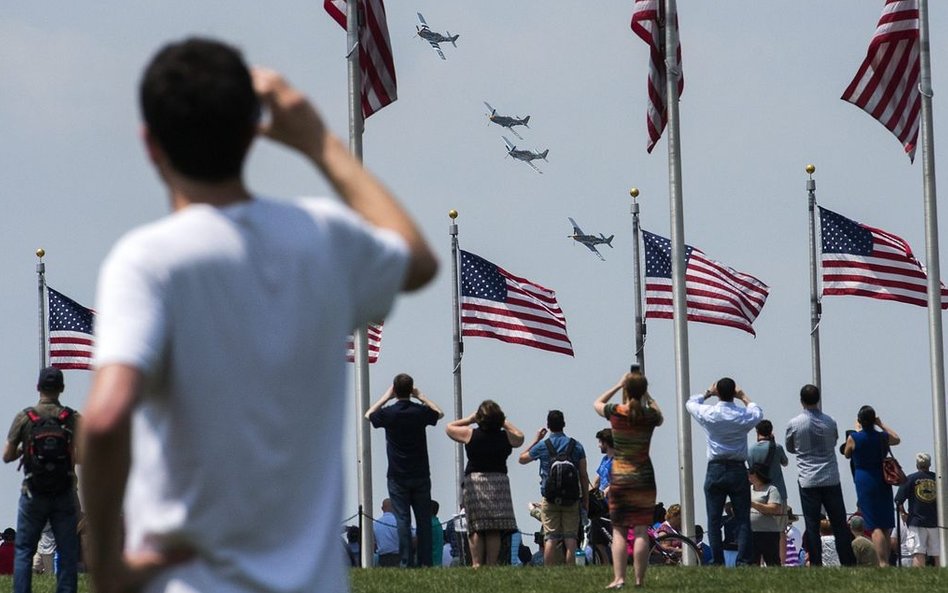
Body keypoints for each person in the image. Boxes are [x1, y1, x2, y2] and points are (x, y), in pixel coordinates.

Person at [78, 37, 438, 593]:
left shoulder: (147, 259)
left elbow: (103, 420)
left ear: (150, 144)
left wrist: (106, 566)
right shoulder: (321, 236)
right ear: (253, 133)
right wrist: (319, 142)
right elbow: (416, 259)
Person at [4, 367, 80, 593]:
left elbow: (6, 455)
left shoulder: (25, 418)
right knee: (67, 551)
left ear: (38, 388)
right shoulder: (72, 418)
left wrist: (23, 451)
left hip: (33, 491)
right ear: (62, 388)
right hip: (64, 492)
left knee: (25, 550)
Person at [593, 372, 663, 589]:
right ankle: (640, 580)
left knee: (619, 530)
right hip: (643, 475)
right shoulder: (648, 415)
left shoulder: (616, 412)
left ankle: (619, 578)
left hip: (621, 476)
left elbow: (597, 403)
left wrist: (618, 384)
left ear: (626, 389)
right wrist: (647, 395)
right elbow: (660, 415)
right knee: (641, 529)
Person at [367, 374, 444, 567]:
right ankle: (425, 562)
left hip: (397, 475)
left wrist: (386, 397)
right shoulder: (419, 411)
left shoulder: (390, 413)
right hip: (420, 472)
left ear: (395, 389)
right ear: (410, 390)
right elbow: (439, 413)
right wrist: (421, 396)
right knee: (423, 520)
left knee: (402, 519)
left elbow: (369, 415)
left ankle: (406, 561)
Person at [686, 377, 762, 566]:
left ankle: (717, 560)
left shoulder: (710, 414)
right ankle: (743, 561)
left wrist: (707, 393)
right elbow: (758, 413)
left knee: (713, 519)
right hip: (737, 468)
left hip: (716, 468)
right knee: (743, 518)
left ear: (718, 392)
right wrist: (743, 396)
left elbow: (690, 403)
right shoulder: (742, 415)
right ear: (733, 393)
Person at [785, 384, 856, 566]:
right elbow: (834, 441)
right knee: (839, 524)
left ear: (801, 401)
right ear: (818, 399)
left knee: (812, 525)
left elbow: (790, 447)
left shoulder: (794, 424)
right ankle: (848, 562)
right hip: (830, 477)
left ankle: (815, 563)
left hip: (808, 479)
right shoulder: (830, 421)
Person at [446, 400, 524, 567]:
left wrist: (469, 419)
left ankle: (476, 563)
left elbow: (449, 427)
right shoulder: (505, 436)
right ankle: (492, 563)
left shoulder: (471, 434)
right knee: (493, 527)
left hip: (475, 481)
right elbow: (520, 437)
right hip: (498, 482)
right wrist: (504, 423)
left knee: (476, 526)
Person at [519, 410, 589, 567]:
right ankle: (571, 570)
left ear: (548, 426)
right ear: (564, 424)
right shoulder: (576, 446)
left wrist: (536, 439)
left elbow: (521, 459)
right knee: (571, 538)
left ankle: (549, 572)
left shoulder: (543, 446)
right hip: (572, 499)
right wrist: (585, 500)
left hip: (550, 499)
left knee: (551, 537)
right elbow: (583, 476)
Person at [842, 405, 901, 567]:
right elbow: (896, 438)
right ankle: (887, 560)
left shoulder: (855, 437)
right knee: (885, 523)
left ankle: (881, 562)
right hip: (882, 478)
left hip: (864, 479)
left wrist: (857, 430)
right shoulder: (882, 437)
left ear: (860, 420)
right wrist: (881, 424)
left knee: (873, 523)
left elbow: (847, 453)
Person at [748, 419, 789, 562]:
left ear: (757, 432)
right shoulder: (777, 447)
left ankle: (757, 563)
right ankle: (781, 562)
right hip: (778, 491)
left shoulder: (751, 450)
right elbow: (785, 462)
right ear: (771, 432)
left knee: (756, 534)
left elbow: (751, 470)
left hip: (757, 492)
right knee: (781, 529)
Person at [895, 452, 939, 567]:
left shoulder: (910, 479)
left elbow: (898, 500)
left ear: (917, 465)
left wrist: (904, 514)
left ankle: (920, 576)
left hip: (916, 521)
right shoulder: (938, 479)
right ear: (929, 464)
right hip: (937, 522)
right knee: (938, 553)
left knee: (918, 551)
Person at [748, 467, 783, 566]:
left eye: (751, 473)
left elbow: (775, 509)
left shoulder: (771, 489)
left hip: (768, 532)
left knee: (772, 562)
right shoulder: (747, 489)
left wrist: (753, 504)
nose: (748, 475)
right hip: (751, 531)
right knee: (752, 563)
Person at [588, 428, 614, 565]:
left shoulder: (617, 461)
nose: (599, 445)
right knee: (598, 539)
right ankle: (605, 564)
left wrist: (606, 490)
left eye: (600, 442)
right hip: (602, 504)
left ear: (606, 443)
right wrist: (588, 494)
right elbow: (597, 480)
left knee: (613, 537)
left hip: (613, 504)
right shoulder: (605, 459)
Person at [374, 499, 400, 567]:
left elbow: (373, 543)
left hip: (383, 558)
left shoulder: (375, 524)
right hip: (399, 557)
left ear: (382, 508)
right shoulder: (400, 522)